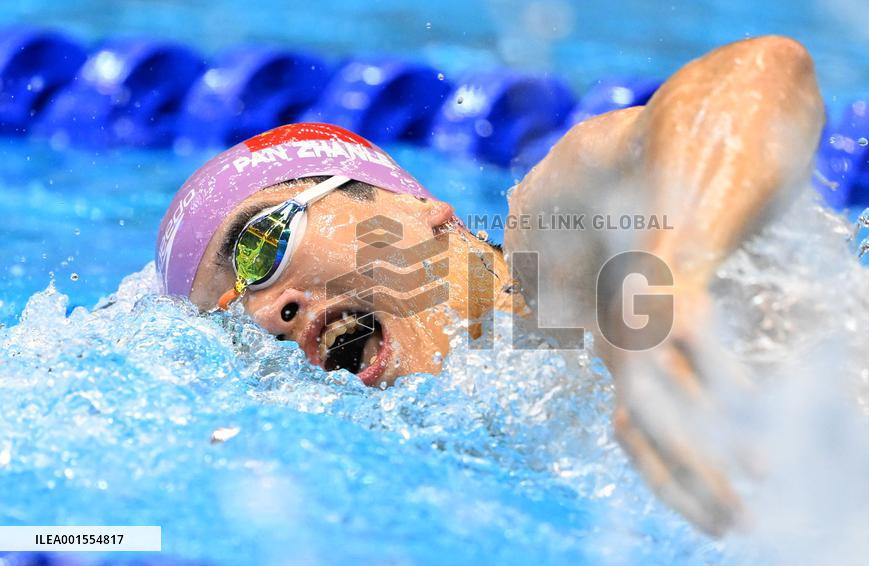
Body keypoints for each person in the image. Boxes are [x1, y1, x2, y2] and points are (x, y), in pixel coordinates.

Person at [156, 35, 823, 535]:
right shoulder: (430, 474)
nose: (265, 314)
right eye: (229, 318)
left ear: (414, 207)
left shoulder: (555, 254)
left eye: (261, 244)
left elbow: (760, 75)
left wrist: (672, 277)